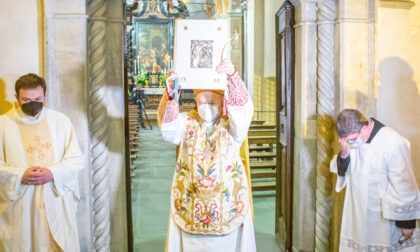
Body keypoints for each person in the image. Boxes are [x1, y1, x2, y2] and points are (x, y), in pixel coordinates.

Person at [158, 59, 256, 252]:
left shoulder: (233, 126)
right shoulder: (186, 123)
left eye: (213, 100)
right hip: (191, 210)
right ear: (195, 99)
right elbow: (168, 131)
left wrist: (233, 77)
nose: (207, 103)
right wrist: (172, 94)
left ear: (222, 101)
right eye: (203, 98)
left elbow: (244, 115)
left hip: (227, 214)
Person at [0, 73, 84, 251]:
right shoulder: (3, 125)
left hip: (54, 198)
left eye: (38, 99)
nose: (33, 103)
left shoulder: (60, 121)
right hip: (21, 205)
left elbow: (76, 159)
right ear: (16, 97)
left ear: (45, 96)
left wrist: (52, 173)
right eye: (26, 99)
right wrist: (20, 175)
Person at [330, 109, 420, 251]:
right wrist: (344, 156)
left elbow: (404, 184)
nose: (350, 143)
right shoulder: (354, 141)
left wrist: (407, 224)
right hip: (358, 216)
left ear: (364, 128)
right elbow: (343, 169)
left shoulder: (394, 143)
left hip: (383, 221)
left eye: (352, 139)